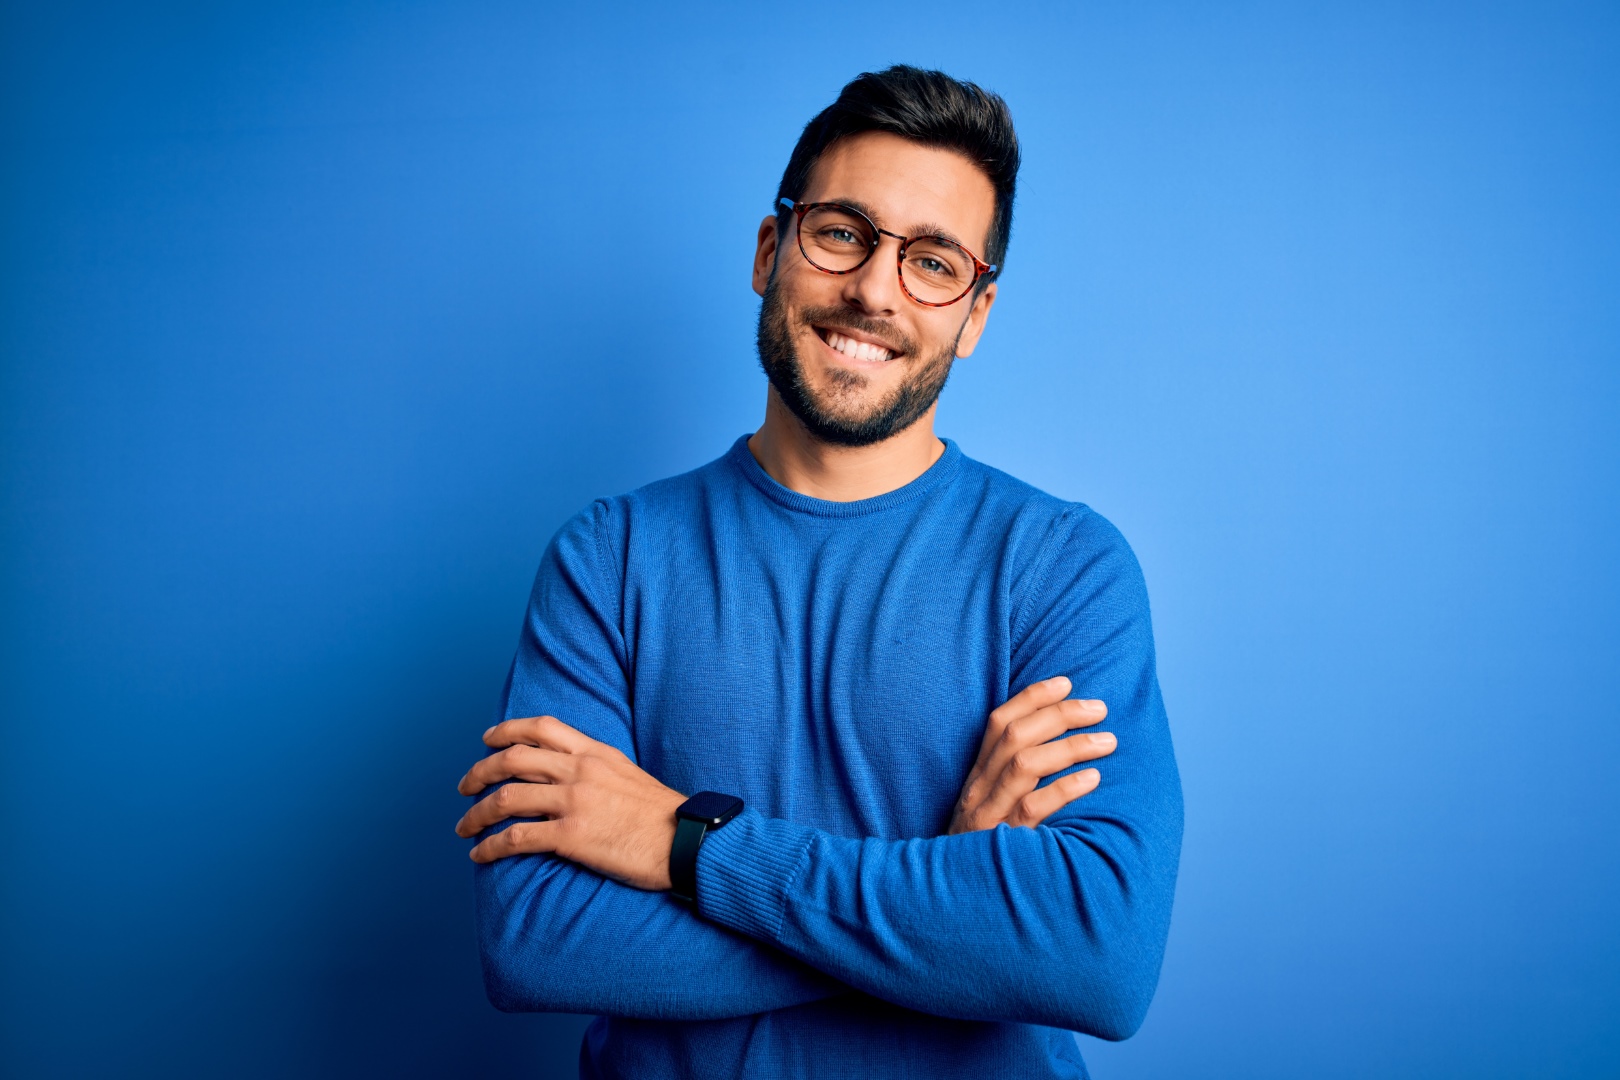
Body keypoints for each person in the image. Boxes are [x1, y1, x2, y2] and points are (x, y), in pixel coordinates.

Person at [454, 65, 1183, 1079]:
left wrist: (684, 843)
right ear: (771, 250)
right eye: (842, 232)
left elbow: (1097, 959)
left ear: (974, 315)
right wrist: (945, 900)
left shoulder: (1063, 568)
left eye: (933, 262)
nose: (875, 289)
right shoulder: (607, 557)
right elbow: (537, 936)